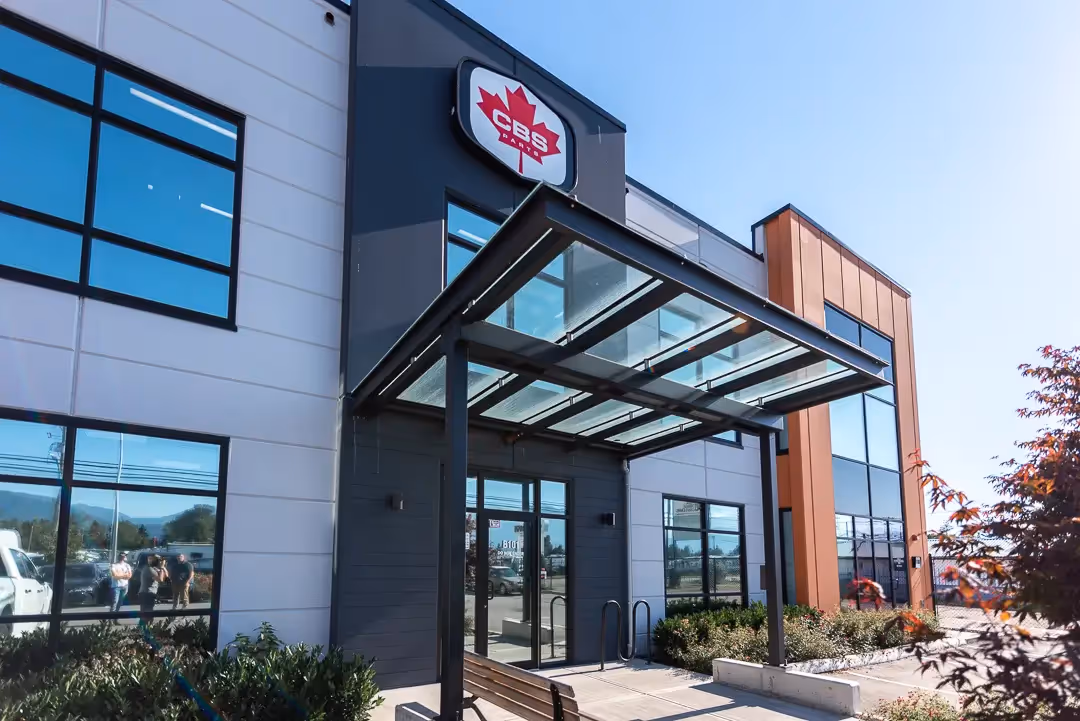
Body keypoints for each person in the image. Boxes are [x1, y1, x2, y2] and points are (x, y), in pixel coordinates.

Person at [138, 554, 168, 621]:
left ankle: (144, 627)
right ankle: (144, 628)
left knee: (148, 612)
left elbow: (166, 576)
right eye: (157, 560)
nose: (158, 562)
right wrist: (162, 566)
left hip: (150, 593)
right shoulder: (149, 569)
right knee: (146, 613)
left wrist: (162, 568)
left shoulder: (154, 568)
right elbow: (160, 580)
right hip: (146, 593)